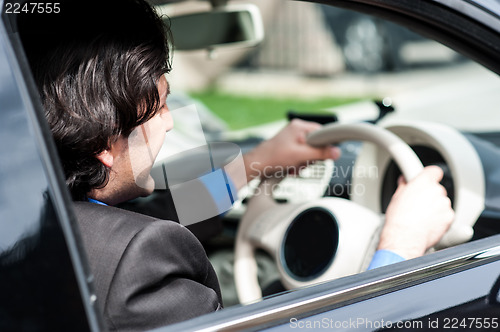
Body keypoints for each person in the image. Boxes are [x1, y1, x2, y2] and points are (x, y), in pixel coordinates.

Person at [17, 0, 454, 330]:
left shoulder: (40, 217)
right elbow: (141, 236)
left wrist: (256, 164)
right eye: (161, 107)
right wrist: (398, 251)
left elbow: (159, 215)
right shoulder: (135, 264)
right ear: (103, 141)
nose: (169, 124)